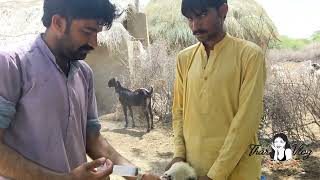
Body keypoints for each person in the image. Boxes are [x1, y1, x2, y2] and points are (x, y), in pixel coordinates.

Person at [0, 0, 159, 179]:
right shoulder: (11, 66)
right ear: (58, 23)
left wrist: (137, 175)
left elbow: (92, 140)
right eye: (87, 31)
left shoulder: (84, 74)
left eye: (97, 33)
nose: (94, 43)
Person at [166, 0, 266, 179]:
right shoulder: (184, 58)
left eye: (202, 15)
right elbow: (178, 111)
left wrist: (215, 175)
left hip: (238, 172)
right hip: (193, 171)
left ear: (223, 11)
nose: (195, 26)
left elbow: (246, 121)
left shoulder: (250, 55)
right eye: (190, 19)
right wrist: (179, 155)